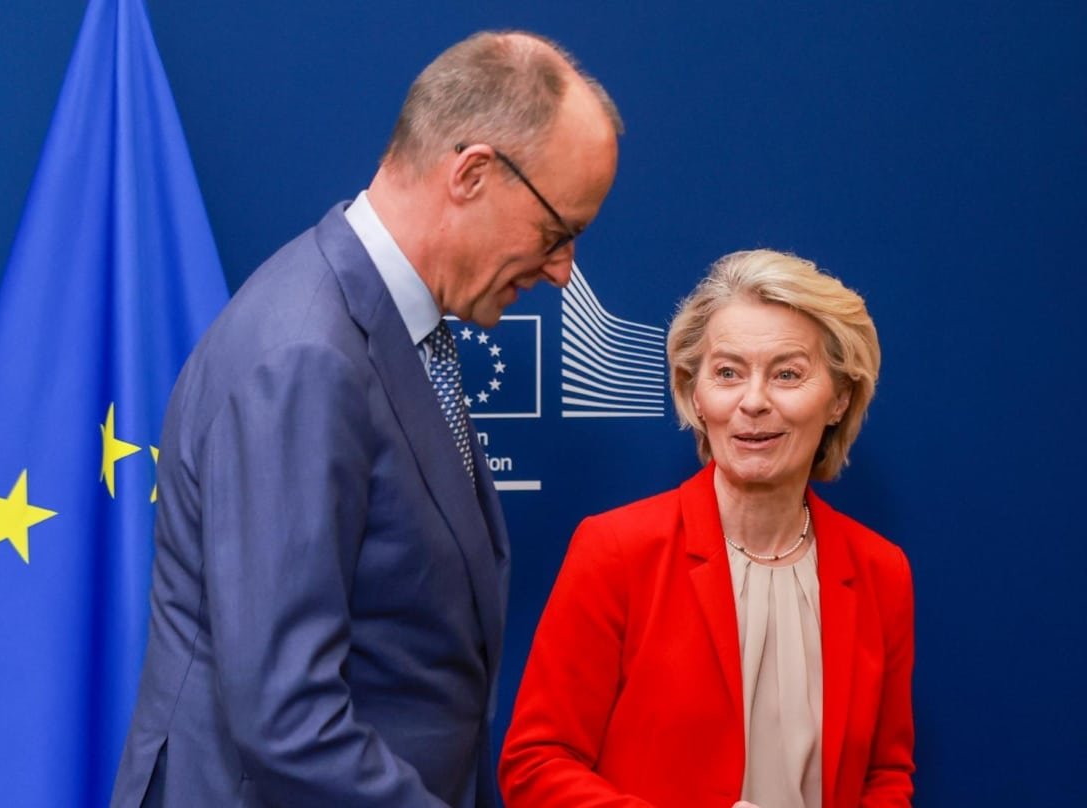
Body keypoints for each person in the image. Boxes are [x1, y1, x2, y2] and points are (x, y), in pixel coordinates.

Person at [110, 31, 624, 808]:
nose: (561, 272)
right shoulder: (304, 358)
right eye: (558, 235)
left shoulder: (393, 327)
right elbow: (288, 721)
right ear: (473, 173)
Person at [499, 249, 914, 808]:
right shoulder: (617, 550)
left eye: (788, 373)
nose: (753, 402)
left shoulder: (880, 571)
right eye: (727, 373)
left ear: (839, 397)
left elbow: (884, 775)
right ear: (695, 394)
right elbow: (536, 764)